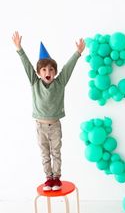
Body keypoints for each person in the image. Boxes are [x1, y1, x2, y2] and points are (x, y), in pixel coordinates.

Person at [12, 31, 85, 191]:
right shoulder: (34, 83)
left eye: (51, 70)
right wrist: (19, 49)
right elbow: (27, 66)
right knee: (45, 154)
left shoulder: (60, 83)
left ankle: (57, 178)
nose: (47, 72)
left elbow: (68, 68)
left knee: (56, 153)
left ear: (55, 72)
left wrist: (78, 53)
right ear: (39, 73)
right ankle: (48, 178)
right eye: (44, 70)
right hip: (40, 126)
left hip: (55, 126)